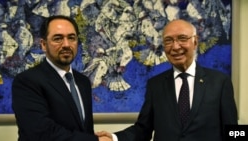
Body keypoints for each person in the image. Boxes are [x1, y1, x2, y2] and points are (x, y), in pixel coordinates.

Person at [96, 19, 238, 141]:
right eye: (168, 41)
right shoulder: (155, 85)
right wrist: (113, 138)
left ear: (195, 42)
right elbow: (142, 130)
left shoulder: (220, 82)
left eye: (182, 38)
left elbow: (233, 131)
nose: (175, 46)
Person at [12, 15, 110, 141]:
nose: (66, 44)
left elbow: (84, 130)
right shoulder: (27, 81)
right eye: (58, 38)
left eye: (71, 38)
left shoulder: (83, 82)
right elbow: (40, 132)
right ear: (43, 44)